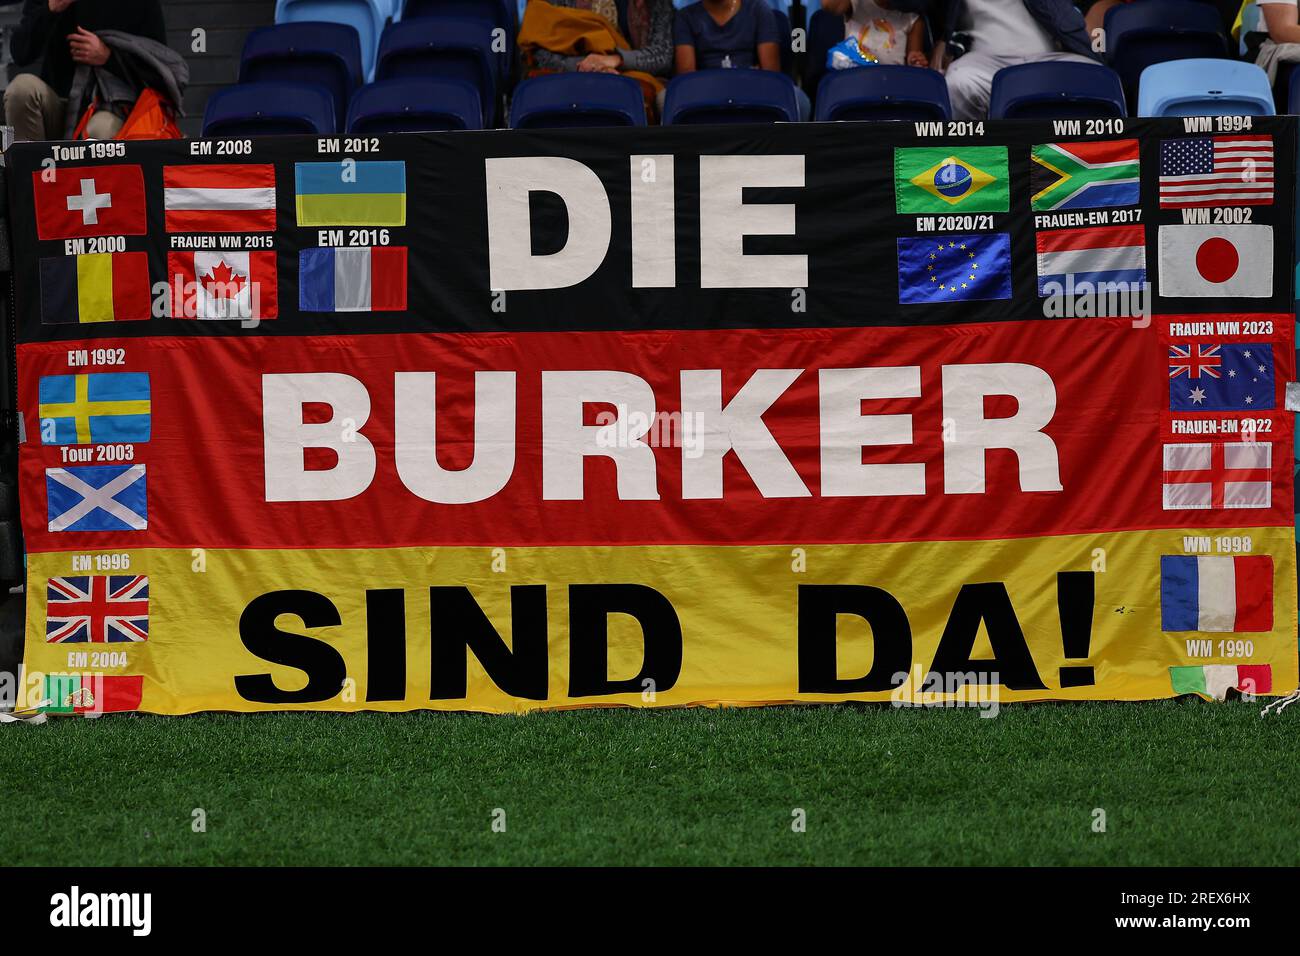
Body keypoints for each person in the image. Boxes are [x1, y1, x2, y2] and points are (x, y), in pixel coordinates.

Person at [5, 0, 168, 141]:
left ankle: (83, 176)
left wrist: (108, 57)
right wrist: (50, 10)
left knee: (100, 129)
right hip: (58, 103)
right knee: (22, 89)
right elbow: (20, 53)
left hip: (110, 107)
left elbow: (159, 70)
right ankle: (29, 174)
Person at [673, 0, 811, 120]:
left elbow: (771, 73)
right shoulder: (685, 17)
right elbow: (687, 78)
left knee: (799, 100)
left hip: (753, 88)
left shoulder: (758, 9)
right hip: (704, 91)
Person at [821, 0, 929, 67]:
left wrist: (915, 61)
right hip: (856, 79)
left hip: (893, 84)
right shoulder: (856, 3)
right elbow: (829, 5)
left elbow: (914, 57)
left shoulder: (912, 17)